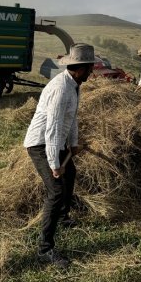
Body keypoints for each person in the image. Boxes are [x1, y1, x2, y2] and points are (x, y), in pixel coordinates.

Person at [23, 43, 95, 268]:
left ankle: (63, 217)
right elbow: (52, 128)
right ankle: (45, 249)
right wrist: (54, 163)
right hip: (41, 143)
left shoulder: (74, 85)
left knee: (70, 174)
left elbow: (71, 118)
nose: (92, 72)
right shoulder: (61, 89)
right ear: (80, 67)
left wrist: (73, 145)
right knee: (55, 191)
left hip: (57, 141)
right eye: (90, 68)